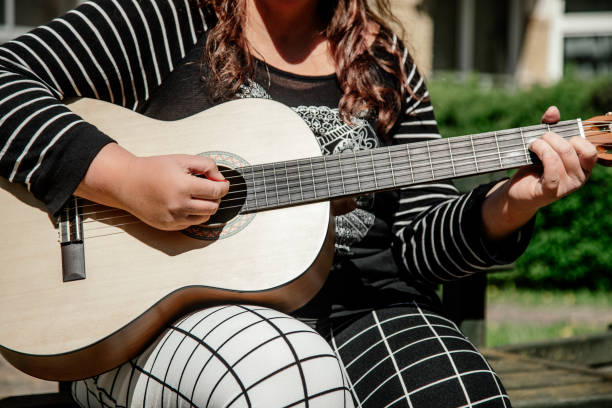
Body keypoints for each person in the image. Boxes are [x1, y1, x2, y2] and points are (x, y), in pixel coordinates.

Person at [0, 0, 597, 407]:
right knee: (288, 378)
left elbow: (417, 248)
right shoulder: (161, 19)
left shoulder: (382, 58)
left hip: (363, 308)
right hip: (153, 319)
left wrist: (512, 203)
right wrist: (125, 177)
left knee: (462, 396)